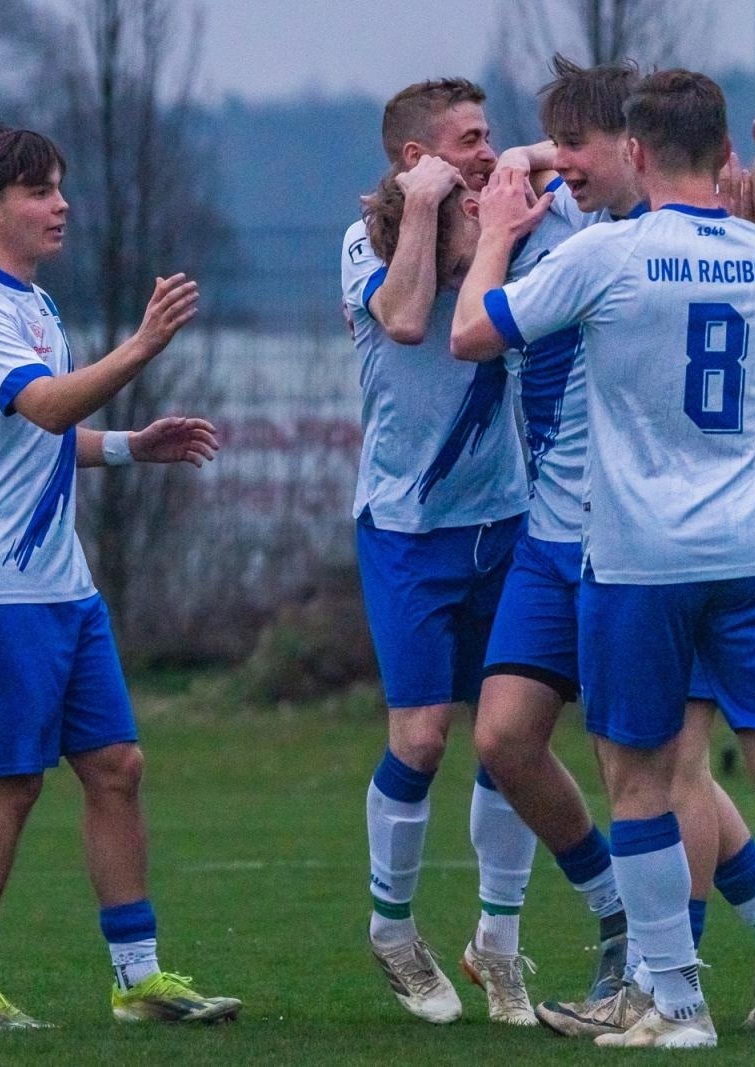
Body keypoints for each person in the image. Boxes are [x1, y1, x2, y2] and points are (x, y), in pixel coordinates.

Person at [452, 70, 755, 1050]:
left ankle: (676, 1005)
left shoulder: (606, 255)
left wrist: (500, 235)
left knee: (637, 778)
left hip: (640, 560)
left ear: (635, 153)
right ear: (723, 152)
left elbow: (473, 332)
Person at [0, 123, 238, 1030]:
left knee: (116, 766)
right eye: (39, 191)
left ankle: (138, 977)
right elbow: (47, 405)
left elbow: (43, 441)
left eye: (58, 186)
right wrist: (141, 347)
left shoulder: (37, 306)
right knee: (11, 782)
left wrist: (138, 445)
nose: (60, 204)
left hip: (62, 583)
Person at [339, 80, 538, 1027]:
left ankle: (498, 944)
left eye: (489, 135)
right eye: (468, 140)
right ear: (413, 159)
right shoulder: (365, 241)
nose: (487, 153)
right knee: (421, 736)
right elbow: (411, 319)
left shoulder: (509, 218)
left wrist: (522, 164)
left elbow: (551, 161)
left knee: (511, 735)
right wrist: (421, 207)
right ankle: (392, 931)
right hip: (408, 530)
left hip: (508, 521)